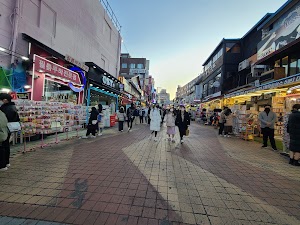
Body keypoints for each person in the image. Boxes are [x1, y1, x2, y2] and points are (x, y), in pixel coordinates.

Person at [0, 93, 20, 169]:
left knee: (3, 146)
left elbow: (3, 121)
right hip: (8, 129)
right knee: (6, 145)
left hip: (5, 129)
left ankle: (3, 164)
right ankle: (6, 162)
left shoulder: (7, 108)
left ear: (5, 100)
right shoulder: (11, 106)